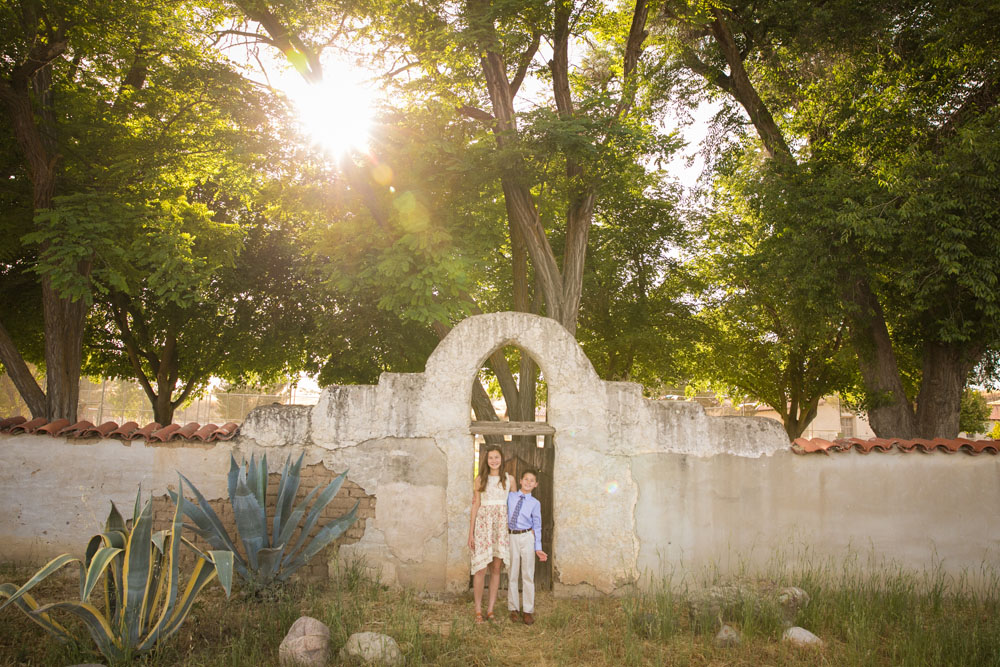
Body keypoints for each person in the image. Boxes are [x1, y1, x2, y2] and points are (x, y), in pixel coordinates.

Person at [468, 446, 514, 624]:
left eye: (497, 457)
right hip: (483, 526)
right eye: (490, 458)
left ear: (502, 459)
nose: (494, 460)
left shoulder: (509, 480)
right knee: (480, 568)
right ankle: (478, 610)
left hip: (500, 528)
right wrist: (471, 532)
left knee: (496, 568)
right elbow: (475, 505)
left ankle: (490, 610)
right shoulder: (480, 479)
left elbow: (515, 505)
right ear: (486, 460)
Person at [506, 468, 548, 625]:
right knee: (512, 573)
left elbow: (537, 525)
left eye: (532, 480)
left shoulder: (535, 503)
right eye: (526, 479)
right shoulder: (510, 496)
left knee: (527, 574)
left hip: (526, 537)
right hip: (511, 536)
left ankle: (528, 610)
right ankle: (513, 608)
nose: (528, 482)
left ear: (536, 484)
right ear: (520, 481)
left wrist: (538, 547)